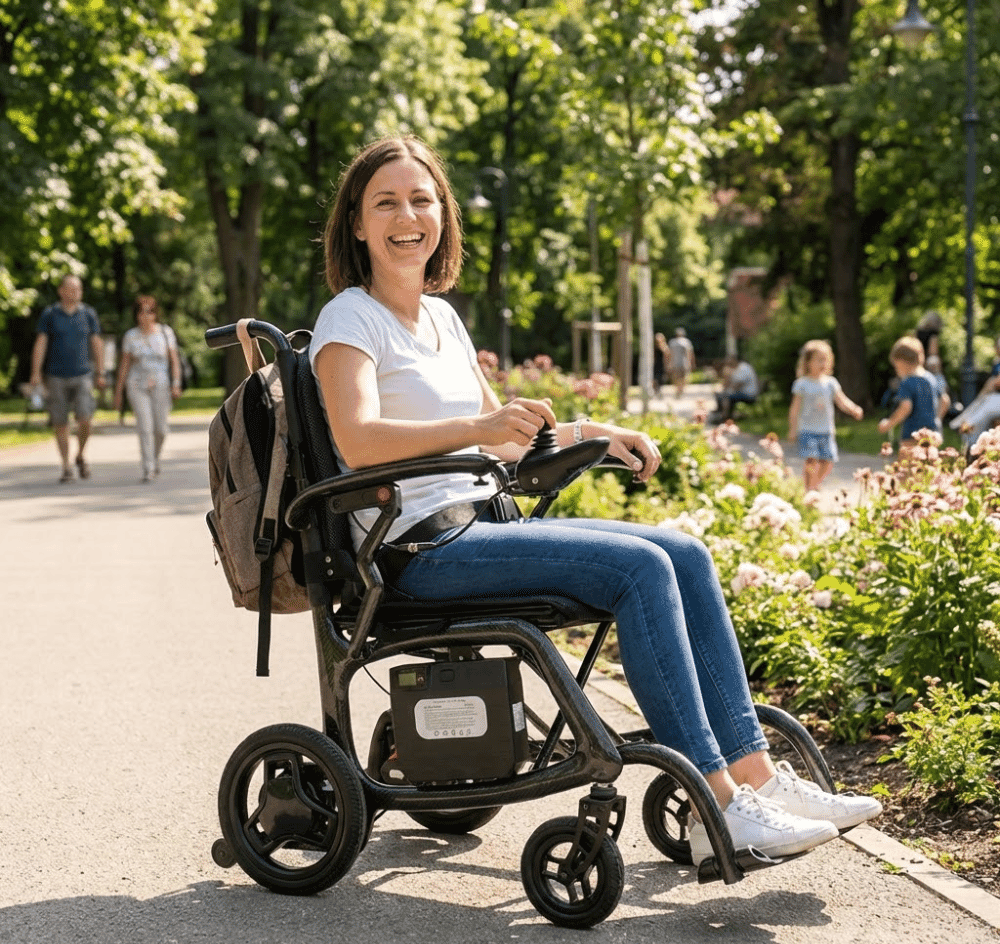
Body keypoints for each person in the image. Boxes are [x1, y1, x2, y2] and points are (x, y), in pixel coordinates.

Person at [307, 134, 880, 866]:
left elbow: (506, 442)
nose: (406, 216)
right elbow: (358, 441)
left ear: (443, 216)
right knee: (637, 570)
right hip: (417, 547)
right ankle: (721, 811)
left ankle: (757, 775)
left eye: (422, 200)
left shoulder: (442, 318)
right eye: (384, 203)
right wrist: (479, 427)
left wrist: (594, 432)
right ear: (357, 223)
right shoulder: (348, 318)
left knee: (685, 552)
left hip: (481, 525)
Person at [29, 275, 104, 483]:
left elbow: (97, 343)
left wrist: (100, 372)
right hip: (55, 376)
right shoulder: (50, 314)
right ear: (61, 291)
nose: (75, 292)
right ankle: (66, 466)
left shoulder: (88, 314)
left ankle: (80, 454)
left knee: (85, 419)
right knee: (60, 422)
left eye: (78, 289)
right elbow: (41, 343)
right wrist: (35, 372)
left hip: (83, 375)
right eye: (71, 288)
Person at [112, 295, 182, 482]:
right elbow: (124, 366)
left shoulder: (165, 333)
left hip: (160, 384)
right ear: (136, 314)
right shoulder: (131, 336)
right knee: (145, 426)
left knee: (161, 429)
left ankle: (155, 457)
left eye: (150, 311)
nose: (145, 315)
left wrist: (176, 383)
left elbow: (174, 361)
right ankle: (148, 467)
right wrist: (118, 392)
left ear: (155, 313)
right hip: (137, 385)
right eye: (141, 311)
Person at [787, 340, 863, 493]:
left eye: (826, 359)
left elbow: (841, 401)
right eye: (819, 359)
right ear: (808, 362)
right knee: (811, 460)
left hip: (826, 430)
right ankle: (809, 489)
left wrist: (853, 408)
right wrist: (793, 429)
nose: (823, 363)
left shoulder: (831, 383)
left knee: (827, 461)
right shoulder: (802, 384)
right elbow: (794, 409)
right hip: (807, 430)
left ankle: (815, 483)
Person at [877, 335, 949, 457]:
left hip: (911, 435)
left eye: (896, 366)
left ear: (902, 362)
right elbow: (945, 400)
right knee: (928, 470)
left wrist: (889, 423)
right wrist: (936, 420)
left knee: (907, 471)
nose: (896, 370)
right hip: (932, 434)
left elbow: (906, 407)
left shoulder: (907, 382)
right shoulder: (931, 378)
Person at [713, 354, 759, 421]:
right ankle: (724, 416)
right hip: (743, 393)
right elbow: (729, 383)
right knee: (721, 394)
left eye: (729, 363)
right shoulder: (738, 368)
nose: (728, 365)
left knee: (726, 396)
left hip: (749, 394)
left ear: (734, 361)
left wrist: (726, 391)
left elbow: (738, 385)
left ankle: (724, 417)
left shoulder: (743, 368)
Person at [666, 326, 695, 398]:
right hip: (684, 363)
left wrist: (669, 364)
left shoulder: (672, 342)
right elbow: (690, 354)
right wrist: (691, 363)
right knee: (684, 377)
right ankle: (681, 390)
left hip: (674, 363)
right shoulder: (686, 342)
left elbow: (669, 354)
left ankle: (678, 390)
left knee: (676, 378)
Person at [652, 332, 668, 397]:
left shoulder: (664, 347)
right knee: (655, 379)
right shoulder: (653, 347)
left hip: (662, 365)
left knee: (661, 379)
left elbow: (667, 357)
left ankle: (658, 391)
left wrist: (667, 365)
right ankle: (656, 391)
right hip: (655, 364)